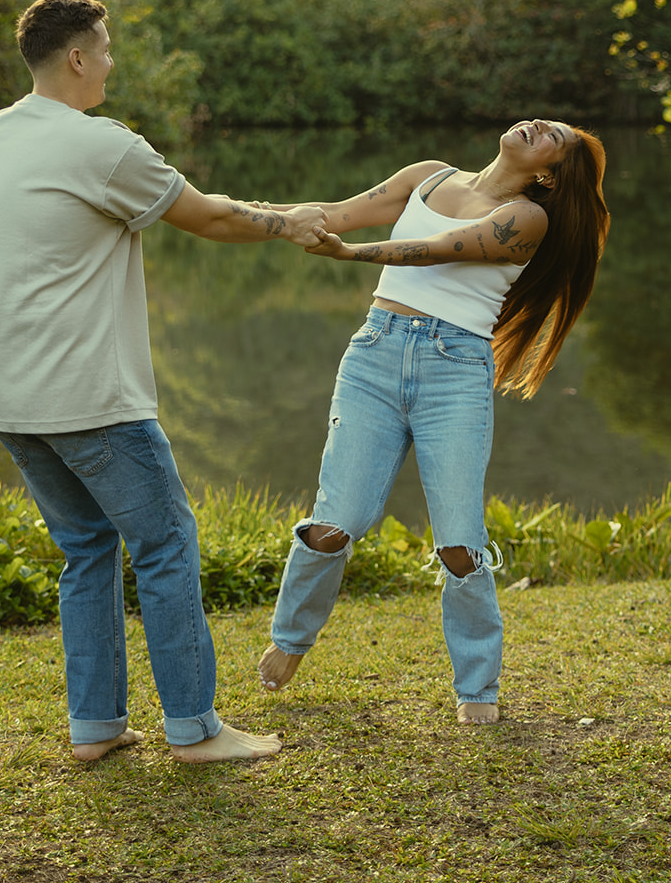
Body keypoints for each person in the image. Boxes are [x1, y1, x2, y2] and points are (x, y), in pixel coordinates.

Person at [0, 0, 325, 765]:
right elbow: (209, 218)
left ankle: (94, 726)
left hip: (4, 392)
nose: (112, 62)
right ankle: (194, 727)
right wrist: (288, 220)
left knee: (86, 547)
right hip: (84, 393)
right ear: (79, 58)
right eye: (107, 47)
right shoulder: (102, 145)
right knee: (164, 545)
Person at [256, 119, 610, 724]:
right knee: (336, 523)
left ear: (549, 173)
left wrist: (351, 254)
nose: (536, 124)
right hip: (374, 354)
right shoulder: (427, 176)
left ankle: (477, 690)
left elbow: (437, 250)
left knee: (458, 543)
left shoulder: (528, 219)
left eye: (552, 135)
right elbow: (337, 213)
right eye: (540, 119)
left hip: (455, 370)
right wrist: (255, 215)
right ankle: (291, 640)